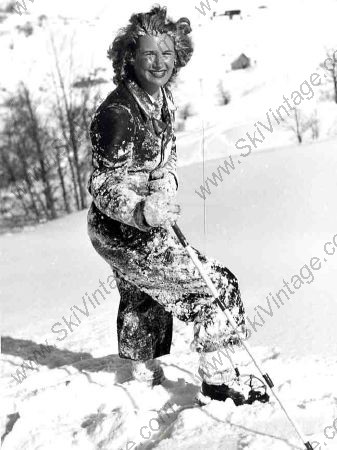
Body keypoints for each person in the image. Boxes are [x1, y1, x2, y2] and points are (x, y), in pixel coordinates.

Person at [87, 5, 265, 405]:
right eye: (149, 53)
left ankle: (142, 376)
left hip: (142, 223)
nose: (159, 63)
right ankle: (219, 378)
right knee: (215, 287)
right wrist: (141, 210)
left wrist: (164, 186)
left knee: (144, 294)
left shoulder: (162, 100)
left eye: (166, 53)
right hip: (121, 229)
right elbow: (103, 184)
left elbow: (165, 159)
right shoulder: (117, 114)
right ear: (130, 56)